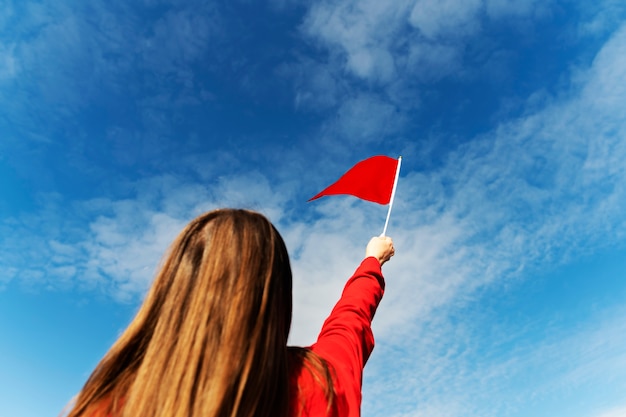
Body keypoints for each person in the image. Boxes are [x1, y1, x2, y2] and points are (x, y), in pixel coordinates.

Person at [64, 208, 394, 417]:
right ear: (278, 297)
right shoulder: (320, 381)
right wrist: (371, 260)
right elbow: (350, 319)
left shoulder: (107, 403)